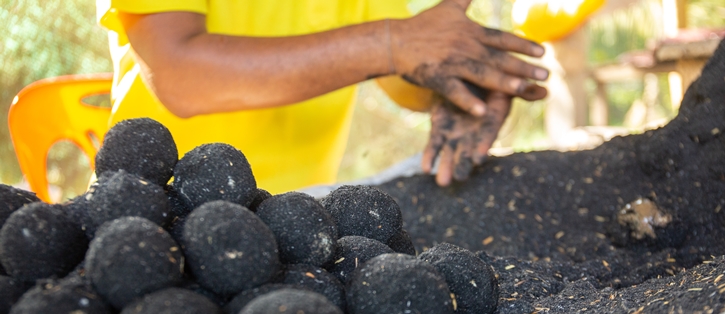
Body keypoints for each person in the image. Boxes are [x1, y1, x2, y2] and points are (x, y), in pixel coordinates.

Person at [97, 0, 548, 194]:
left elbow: (398, 74)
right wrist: (394, 43)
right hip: (161, 210)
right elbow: (180, 75)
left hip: (303, 216)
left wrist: (458, 84)